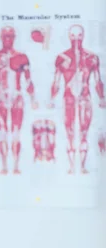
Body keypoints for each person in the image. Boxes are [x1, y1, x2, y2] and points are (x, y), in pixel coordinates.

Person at [48, 24, 106, 174]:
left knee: (84, 132)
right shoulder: (62, 58)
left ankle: (83, 165)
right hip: (68, 98)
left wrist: (102, 97)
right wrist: (52, 98)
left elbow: (98, 80)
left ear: (83, 36)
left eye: (79, 36)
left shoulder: (91, 58)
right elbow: (56, 81)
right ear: (69, 37)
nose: (76, 40)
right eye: (73, 36)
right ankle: (72, 165)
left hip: (85, 98)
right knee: (69, 132)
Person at [0, 26, 39, 175]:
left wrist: (32, 99)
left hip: (17, 98)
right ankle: (4, 165)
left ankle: (16, 165)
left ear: (14, 38)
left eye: (11, 36)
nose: (8, 39)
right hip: (0, 98)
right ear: (1, 37)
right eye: (5, 36)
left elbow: (28, 80)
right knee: (2, 132)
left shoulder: (21, 57)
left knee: (15, 133)